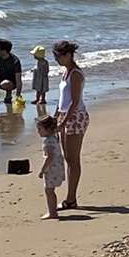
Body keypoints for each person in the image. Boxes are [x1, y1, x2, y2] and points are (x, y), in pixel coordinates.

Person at [52, 40, 87, 208]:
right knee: (68, 158)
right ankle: (70, 197)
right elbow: (62, 101)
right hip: (65, 116)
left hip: (76, 117)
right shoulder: (65, 72)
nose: (57, 59)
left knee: (73, 159)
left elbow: (74, 102)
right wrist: (55, 117)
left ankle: (71, 198)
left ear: (68, 55)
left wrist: (63, 122)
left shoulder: (75, 74)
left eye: (58, 56)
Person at [38, 114, 65, 219]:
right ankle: (52, 211)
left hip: (52, 168)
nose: (38, 131)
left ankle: (52, 212)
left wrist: (42, 170)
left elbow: (49, 157)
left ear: (48, 129)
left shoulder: (48, 141)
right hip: (57, 166)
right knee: (50, 190)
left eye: (40, 129)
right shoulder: (54, 138)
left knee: (49, 190)